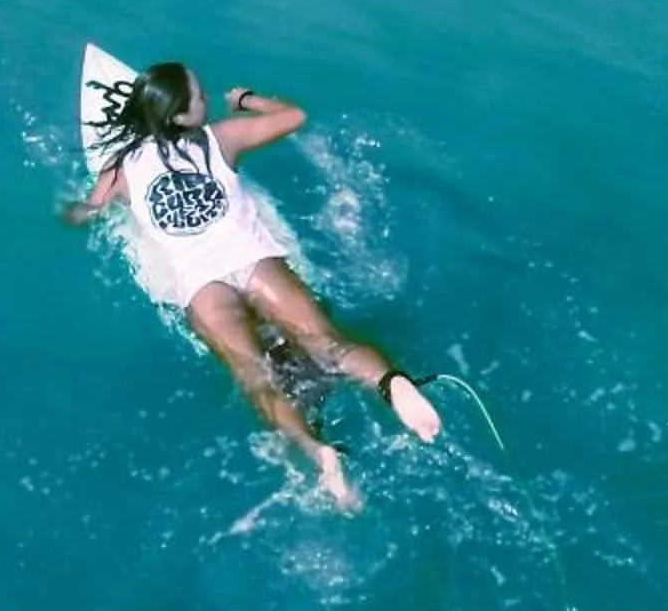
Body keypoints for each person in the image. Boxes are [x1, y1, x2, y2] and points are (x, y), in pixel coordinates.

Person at [67, 62, 441, 512]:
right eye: (200, 96)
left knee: (254, 376)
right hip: (253, 260)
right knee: (329, 344)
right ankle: (392, 383)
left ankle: (318, 451)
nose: (206, 99)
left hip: (203, 285)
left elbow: (85, 213)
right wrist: (246, 100)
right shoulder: (221, 139)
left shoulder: (120, 168)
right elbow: (295, 116)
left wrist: (81, 206)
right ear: (182, 118)